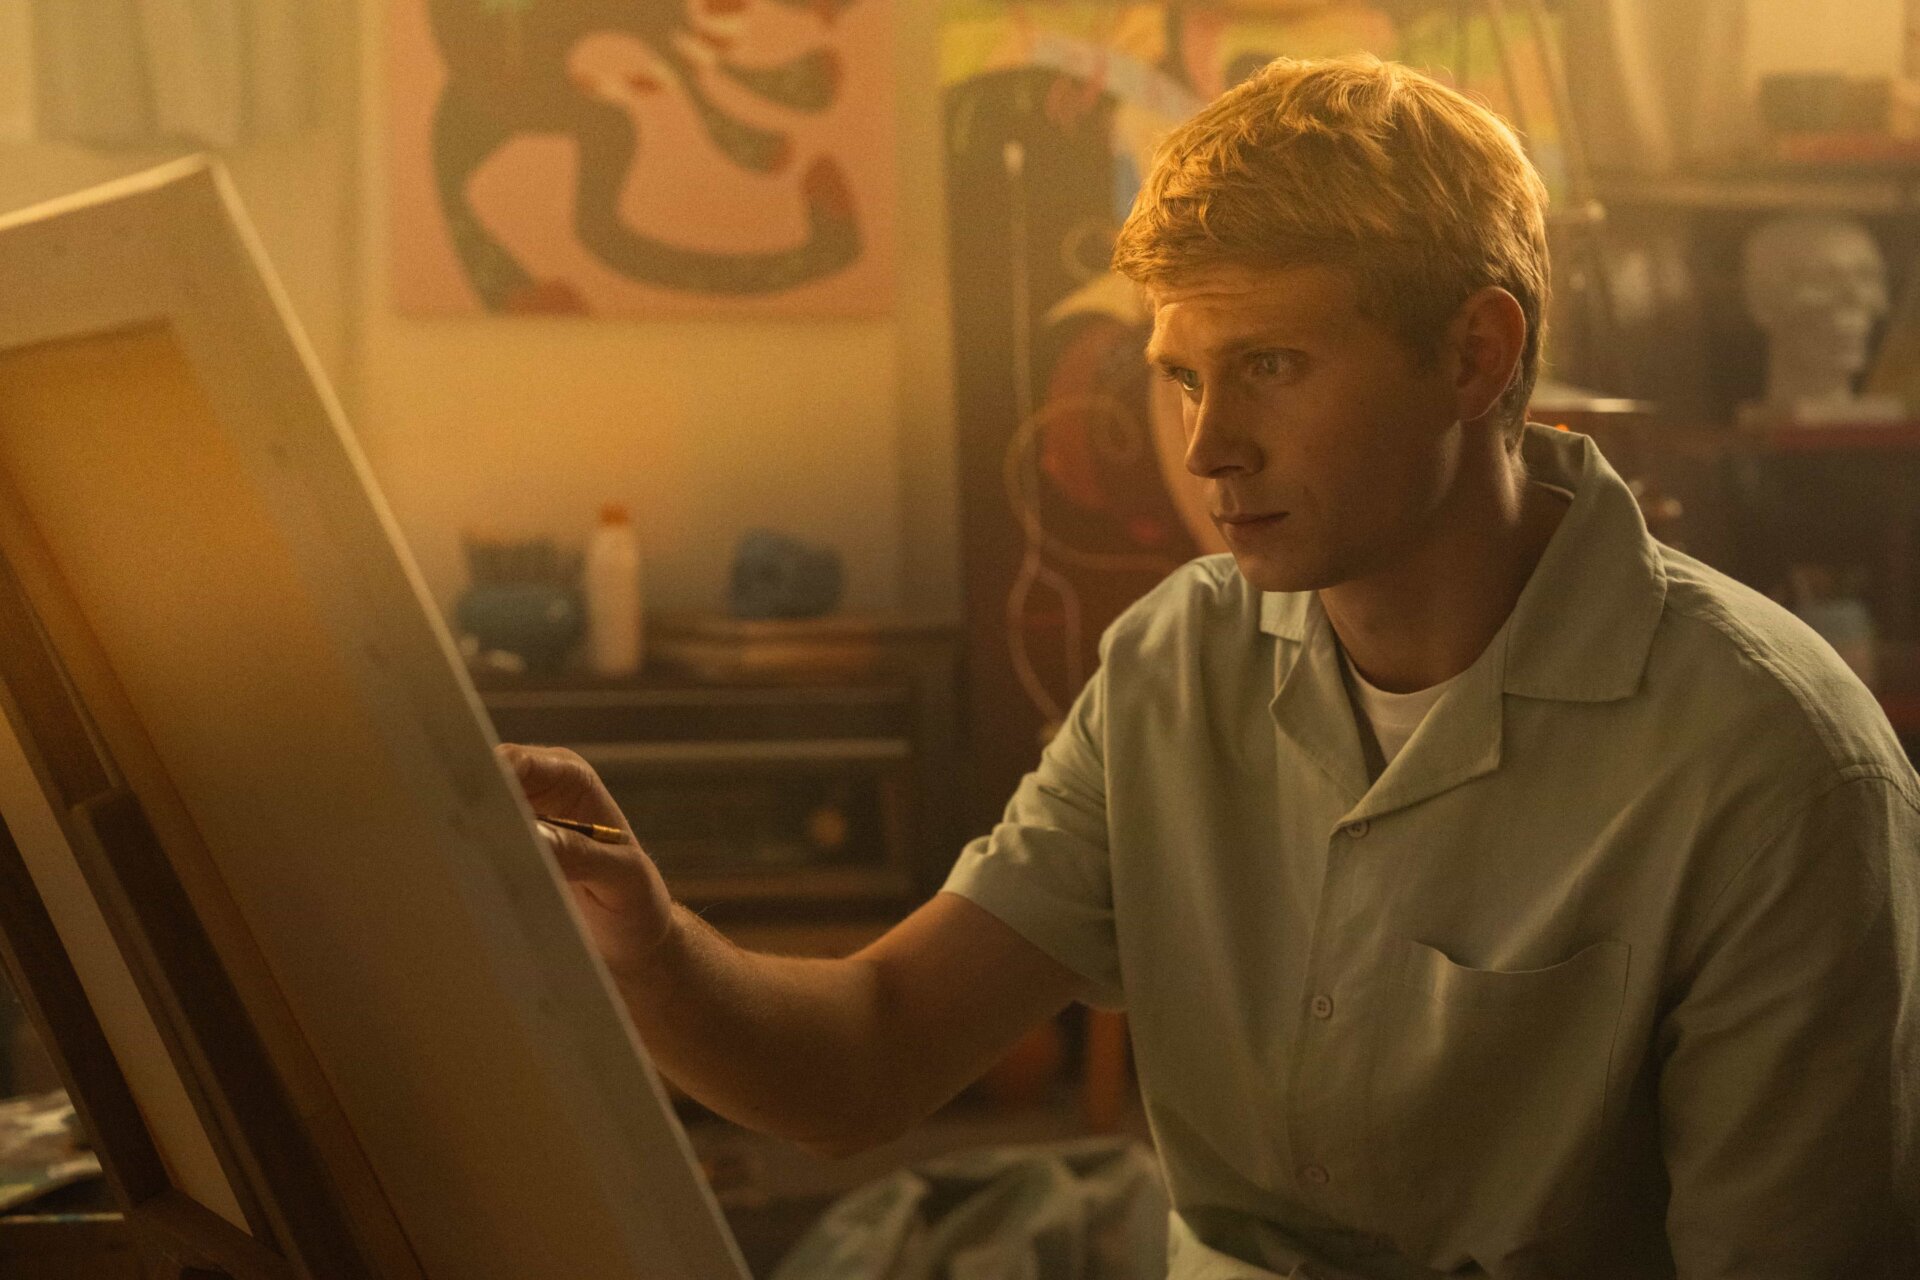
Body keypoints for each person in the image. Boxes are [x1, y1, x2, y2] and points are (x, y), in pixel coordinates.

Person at [501, 55, 1920, 1279]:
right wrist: (649, 948)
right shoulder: (1176, 661)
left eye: (1273, 366)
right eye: (1184, 374)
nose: (1206, 446)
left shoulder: (1776, 768)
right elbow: (867, 1059)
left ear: (1476, 355)